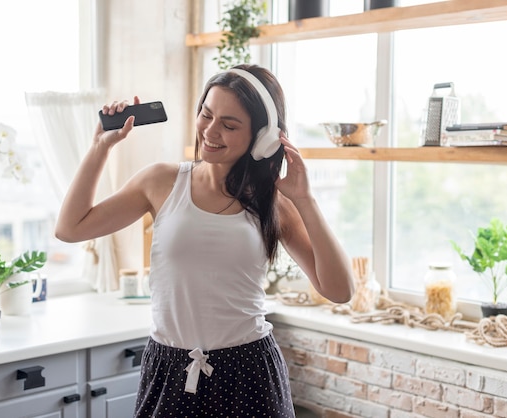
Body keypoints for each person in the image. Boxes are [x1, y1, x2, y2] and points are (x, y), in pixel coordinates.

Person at [55, 64, 354, 417]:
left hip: (249, 372)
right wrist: (100, 147)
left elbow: (340, 290)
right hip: (169, 369)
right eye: (206, 115)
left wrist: (305, 200)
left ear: (262, 137)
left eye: (229, 125)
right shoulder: (161, 181)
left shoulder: (273, 202)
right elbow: (71, 228)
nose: (210, 132)